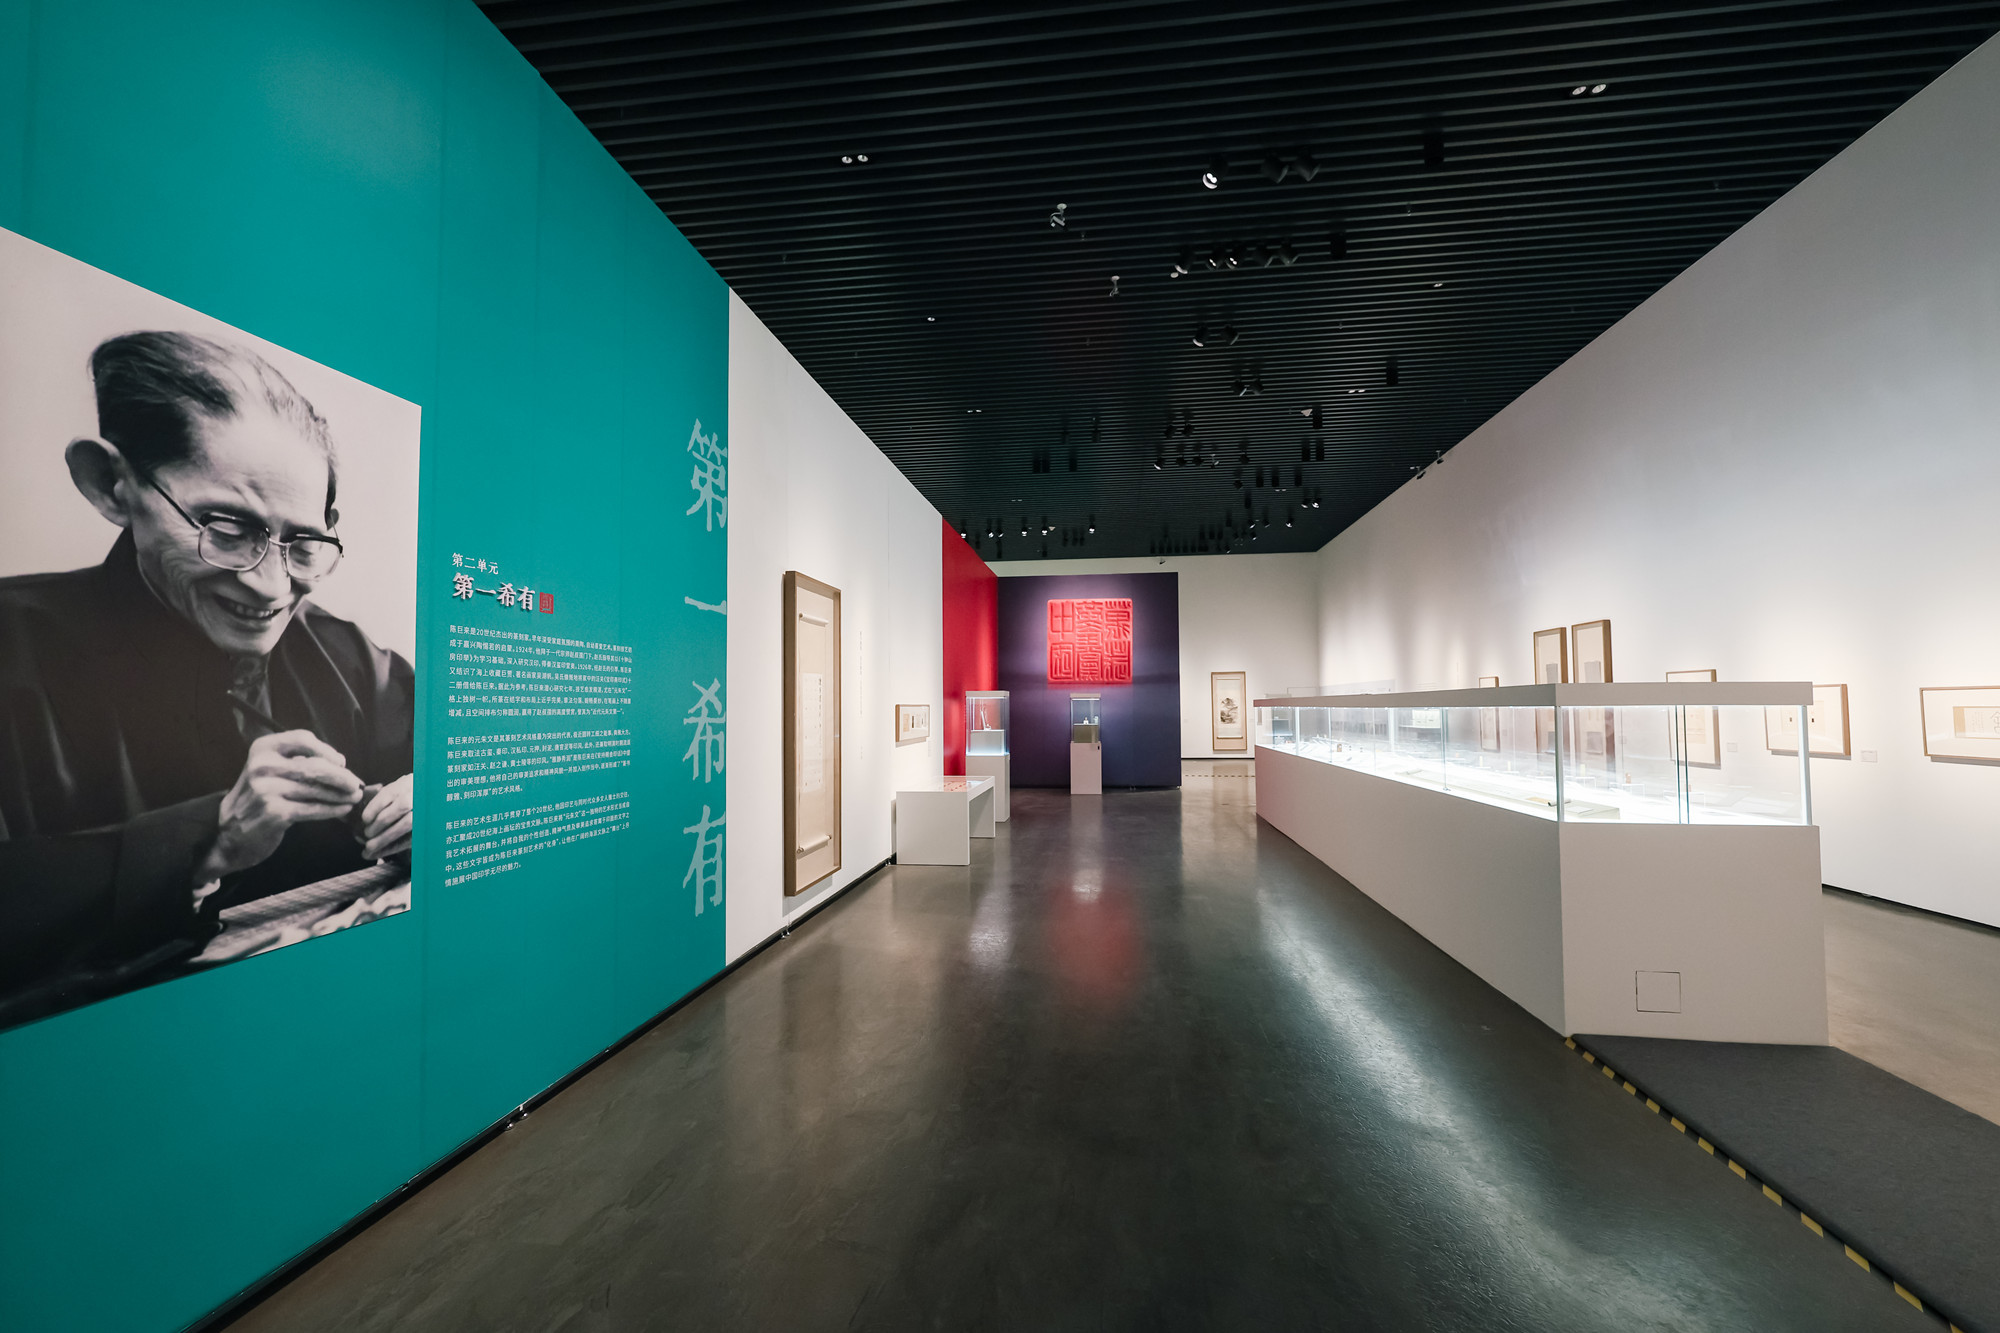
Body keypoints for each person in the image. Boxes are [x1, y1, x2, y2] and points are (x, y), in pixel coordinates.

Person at [0, 331, 414, 1027]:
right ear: (111, 484)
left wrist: (436, 803)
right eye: (226, 528)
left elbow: (476, 779)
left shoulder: (350, 659)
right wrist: (207, 844)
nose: (272, 587)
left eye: (303, 543)